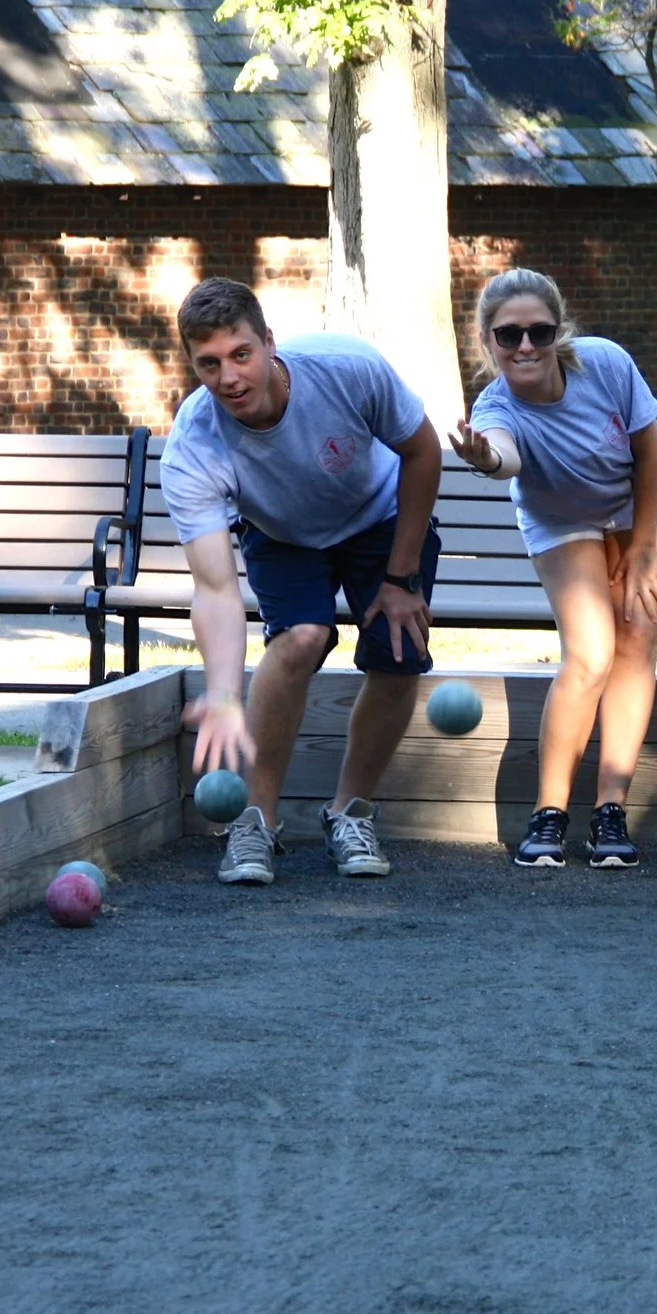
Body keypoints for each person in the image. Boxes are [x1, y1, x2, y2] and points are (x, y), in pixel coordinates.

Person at [162, 278, 444, 886]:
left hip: (381, 514)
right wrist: (223, 694)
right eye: (209, 364)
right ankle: (255, 823)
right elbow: (215, 588)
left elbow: (422, 451)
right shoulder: (194, 445)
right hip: (282, 531)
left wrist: (401, 577)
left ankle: (350, 813)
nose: (229, 378)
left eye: (241, 354)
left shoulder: (346, 369)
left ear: (269, 342)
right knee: (300, 638)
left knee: (397, 650)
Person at [450, 268, 657, 869]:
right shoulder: (496, 406)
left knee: (636, 635)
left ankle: (611, 810)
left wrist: (642, 547)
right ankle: (549, 814)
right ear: (488, 341)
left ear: (559, 332)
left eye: (540, 331)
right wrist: (485, 459)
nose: (526, 345)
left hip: (640, 496)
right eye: (509, 335)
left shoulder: (605, 363)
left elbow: (650, 450)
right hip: (559, 513)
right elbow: (504, 455)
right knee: (590, 654)